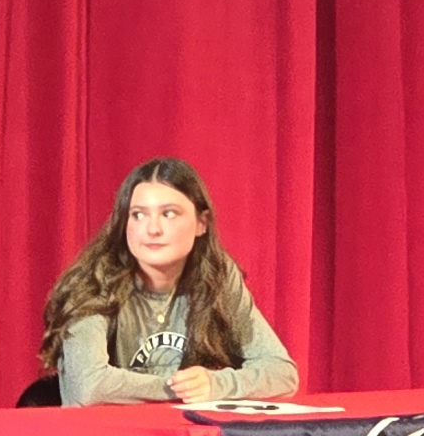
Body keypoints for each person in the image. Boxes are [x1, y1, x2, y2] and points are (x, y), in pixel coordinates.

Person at [41, 158, 300, 404]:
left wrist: (215, 384)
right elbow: (89, 386)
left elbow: (282, 373)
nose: (152, 229)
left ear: (202, 223)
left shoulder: (217, 278)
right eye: (138, 215)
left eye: (169, 214)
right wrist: (183, 388)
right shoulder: (93, 281)